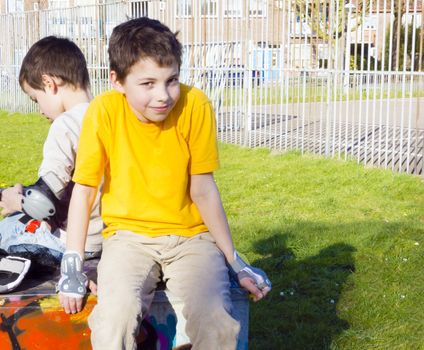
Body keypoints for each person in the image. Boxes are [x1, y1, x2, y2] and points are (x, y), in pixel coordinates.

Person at [58, 17, 271, 349]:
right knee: (115, 316)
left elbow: (203, 189)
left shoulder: (195, 105)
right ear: (117, 80)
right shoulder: (103, 112)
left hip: (191, 238)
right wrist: (71, 264)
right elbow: (84, 191)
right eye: (147, 84)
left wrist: (234, 260)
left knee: (215, 319)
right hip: (128, 238)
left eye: (171, 80)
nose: (163, 96)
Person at [0, 36, 103, 289]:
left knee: (7, 229)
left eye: (36, 99)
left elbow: (44, 201)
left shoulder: (65, 125)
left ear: (49, 83)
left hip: (79, 243)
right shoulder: (105, 115)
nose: (39, 110)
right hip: (109, 236)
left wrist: (15, 199)